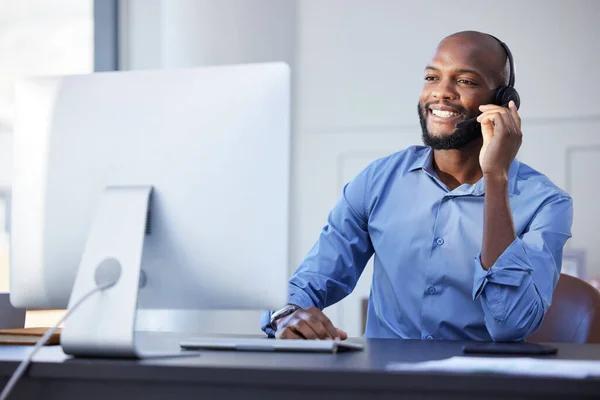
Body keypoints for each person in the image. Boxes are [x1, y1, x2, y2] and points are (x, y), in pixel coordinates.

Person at [261, 31, 573, 342]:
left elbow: (511, 324)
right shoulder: (378, 181)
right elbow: (313, 280)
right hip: (383, 383)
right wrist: (286, 314)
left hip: (478, 384)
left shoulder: (546, 203)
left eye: (465, 81)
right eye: (432, 77)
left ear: (503, 102)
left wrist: (496, 177)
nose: (442, 93)